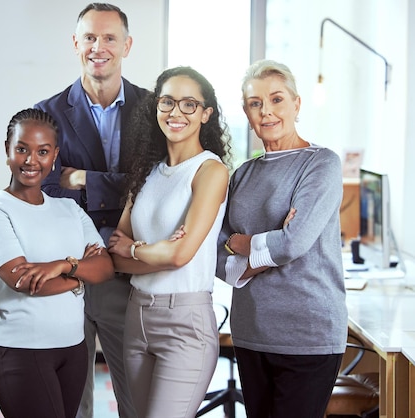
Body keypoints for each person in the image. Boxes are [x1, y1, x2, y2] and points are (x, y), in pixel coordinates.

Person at [34, 3, 148, 417]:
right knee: (70, 403)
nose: (99, 47)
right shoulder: (46, 114)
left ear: (127, 45)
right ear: (76, 44)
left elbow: (155, 185)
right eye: (90, 37)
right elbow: (42, 190)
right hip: (70, 271)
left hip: (132, 272)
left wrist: (82, 179)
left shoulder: (155, 111)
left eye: (110, 38)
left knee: (138, 399)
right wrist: (121, 184)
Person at [215, 59, 347, 418]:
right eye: (256, 103)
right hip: (251, 332)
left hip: (308, 333)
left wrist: (242, 243)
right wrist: (272, 242)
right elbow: (218, 261)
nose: (266, 112)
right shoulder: (242, 174)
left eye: (276, 100)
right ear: (246, 111)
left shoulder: (320, 164)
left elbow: (292, 244)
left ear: (296, 104)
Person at [0, 108, 115, 418]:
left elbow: (105, 268)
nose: (31, 160)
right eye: (21, 149)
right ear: (7, 150)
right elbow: (27, 283)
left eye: (42, 151)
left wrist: (62, 266)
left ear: (55, 155)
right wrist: (80, 275)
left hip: (73, 349)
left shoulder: (70, 209)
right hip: (21, 350)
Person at [108, 66, 232, 418]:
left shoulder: (210, 171)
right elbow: (115, 256)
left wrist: (136, 249)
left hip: (185, 323)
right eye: (167, 102)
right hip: (136, 317)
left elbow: (179, 256)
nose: (176, 112)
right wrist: (155, 251)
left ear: (206, 114)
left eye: (189, 104)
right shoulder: (147, 172)